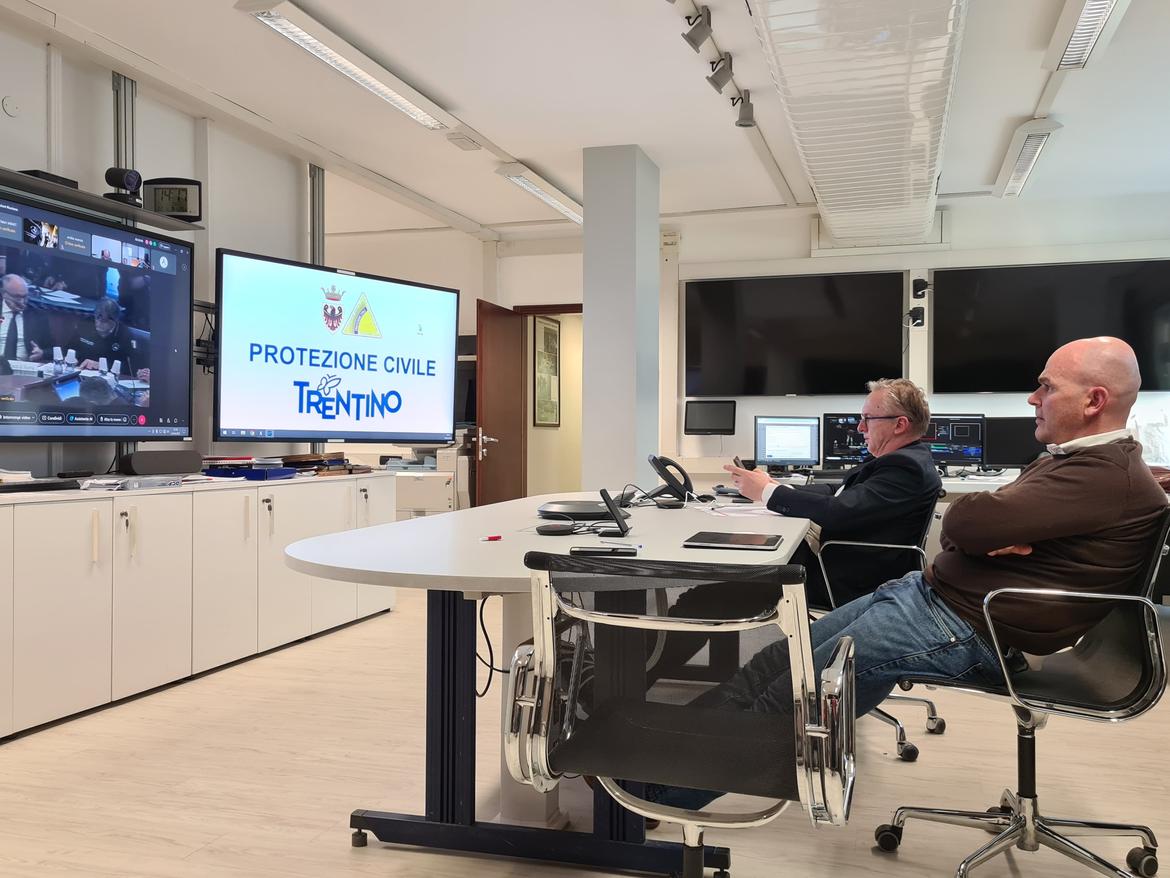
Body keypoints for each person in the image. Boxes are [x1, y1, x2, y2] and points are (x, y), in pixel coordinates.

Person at [652, 337, 1167, 810]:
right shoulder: (1073, 462)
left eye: (1047, 387)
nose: (1033, 398)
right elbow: (973, 527)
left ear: (1094, 401)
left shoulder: (1102, 474)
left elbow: (963, 521)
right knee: (773, 663)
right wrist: (985, 532)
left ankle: (657, 790)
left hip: (963, 625)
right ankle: (654, 747)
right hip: (925, 596)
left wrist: (984, 530)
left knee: (790, 699)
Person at [646, 379, 940, 685]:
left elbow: (838, 512)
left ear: (899, 424)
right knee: (727, 585)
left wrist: (768, 493)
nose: (859, 427)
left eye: (867, 418)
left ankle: (633, 678)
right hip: (845, 565)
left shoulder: (903, 468)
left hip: (842, 578)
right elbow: (839, 491)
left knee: (707, 600)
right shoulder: (904, 460)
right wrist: (775, 487)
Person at [73, 297, 149, 379]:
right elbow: (71, 346)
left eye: (105, 320)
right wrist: (72, 358)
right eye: (98, 317)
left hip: (109, 378)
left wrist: (102, 365)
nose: (99, 323)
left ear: (115, 320)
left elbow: (130, 368)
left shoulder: (125, 336)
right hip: (81, 372)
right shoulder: (86, 324)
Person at [0, 274, 49, 363]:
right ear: (3, 293)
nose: (22, 301)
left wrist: (42, 353)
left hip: (25, 366)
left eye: (25, 296)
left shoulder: (38, 316)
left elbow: (54, 349)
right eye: (17, 297)